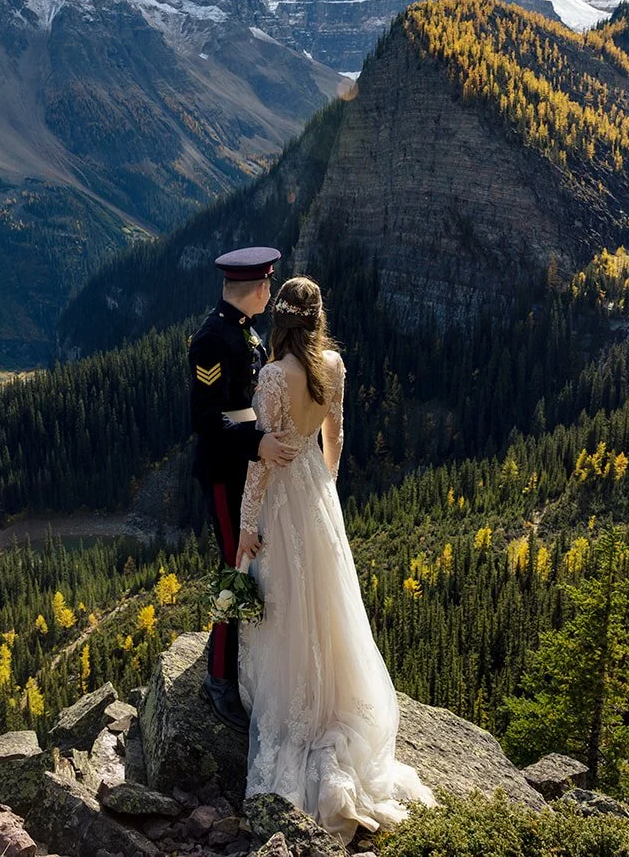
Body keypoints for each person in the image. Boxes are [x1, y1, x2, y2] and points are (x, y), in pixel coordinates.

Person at [235, 276, 436, 845]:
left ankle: (296, 714)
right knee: (323, 602)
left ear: (280, 320)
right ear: (318, 318)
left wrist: (249, 526)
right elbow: (336, 436)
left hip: (281, 495)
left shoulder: (273, 376)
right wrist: (325, 486)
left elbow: (262, 459)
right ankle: (332, 706)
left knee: (284, 602)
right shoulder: (334, 366)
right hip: (318, 494)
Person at [189, 246, 300, 732]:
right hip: (225, 470)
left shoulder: (240, 329)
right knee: (235, 567)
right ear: (256, 289)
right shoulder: (213, 338)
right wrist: (257, 442)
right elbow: (207, 421)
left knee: (248, 563)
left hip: (249, 466)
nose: (270, 293)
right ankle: (218, 680)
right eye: (268, 286)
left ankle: (230, 662)